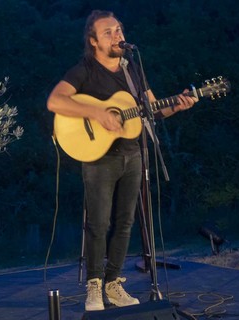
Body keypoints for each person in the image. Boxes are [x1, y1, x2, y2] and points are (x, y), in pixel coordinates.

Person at [46, 10, 197, 311]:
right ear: (93, 42)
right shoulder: (84, 70)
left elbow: (151, 109)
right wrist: (98, 113)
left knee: (126, 222)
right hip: (99, 157)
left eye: (118, 29)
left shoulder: (132, 69)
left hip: (133, 153)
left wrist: (177, 106)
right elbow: (55, 101)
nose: (117, 35)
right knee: (98, 224)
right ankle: (94, 286)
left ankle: (113, 283)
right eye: (108, 32)